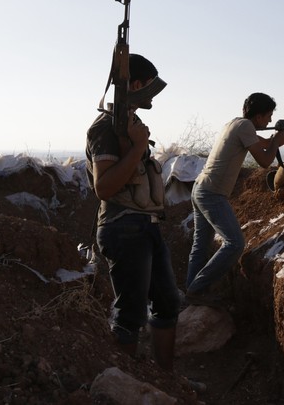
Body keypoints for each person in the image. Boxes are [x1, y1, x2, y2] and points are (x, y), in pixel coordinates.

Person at [85, 53, 180, 371]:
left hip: (145, 226)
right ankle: (123, 386)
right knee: (130, 315)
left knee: (167, 304)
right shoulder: (104, 128)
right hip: (123, 228)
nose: (152, 94)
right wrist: (139, 147)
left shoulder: (129, 125)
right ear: (136, 84)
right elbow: (105, 187)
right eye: (149, 86)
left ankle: (166, 381)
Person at [185, 92, 284, 306]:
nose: (270, 121)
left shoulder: (235, 124)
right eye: (268, 116)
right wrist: (276, 142)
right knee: (235, 243)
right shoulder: (246, 127)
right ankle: (196, 288)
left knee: (201, 245)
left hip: (201, 188)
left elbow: (264, 142)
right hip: (212, 193)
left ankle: (193, 294)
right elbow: (265, 161)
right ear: (258, 116)